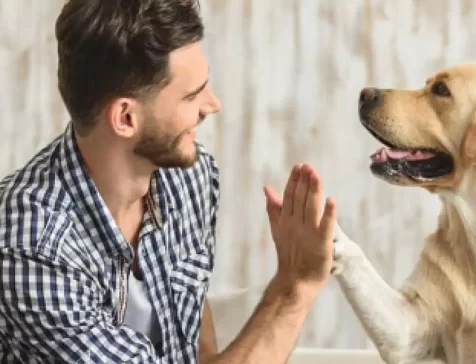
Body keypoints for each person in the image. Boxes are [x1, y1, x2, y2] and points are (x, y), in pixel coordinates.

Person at [0, 0, 337, 363]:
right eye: (192, 95)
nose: (212, 105)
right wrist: (294, 288)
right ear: (126, 118)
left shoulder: (190, 177)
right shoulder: (32, 247)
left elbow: (195, 342)